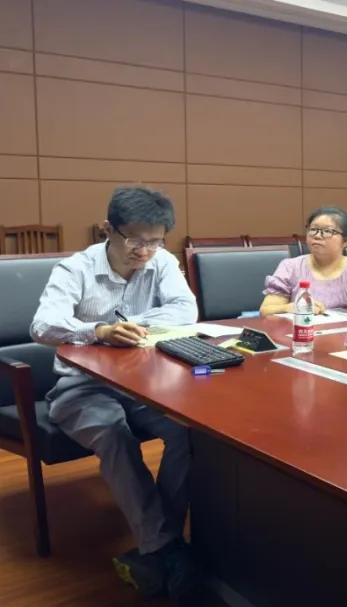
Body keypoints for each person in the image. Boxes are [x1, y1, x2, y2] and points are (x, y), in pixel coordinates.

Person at [30, 186, 202, 600]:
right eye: (135, 240)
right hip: (81, 387)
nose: (145, 251)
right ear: (108, 229)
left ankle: (161, 540)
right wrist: (99, 331)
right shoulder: (75, 269)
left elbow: (186, 310)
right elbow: (43, 325)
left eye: (155, 241)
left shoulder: (161, 261)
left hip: (143, 383)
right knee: (114, 435)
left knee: (188, 431)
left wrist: (132, 323)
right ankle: (165, 548)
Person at [260, 207, 347, 317]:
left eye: (327, 231)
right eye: (313, 229)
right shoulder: (290, 267)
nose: (318, 236)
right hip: (301, 338)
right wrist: (288, 308)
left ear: (345, 241)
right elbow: (266, 310)